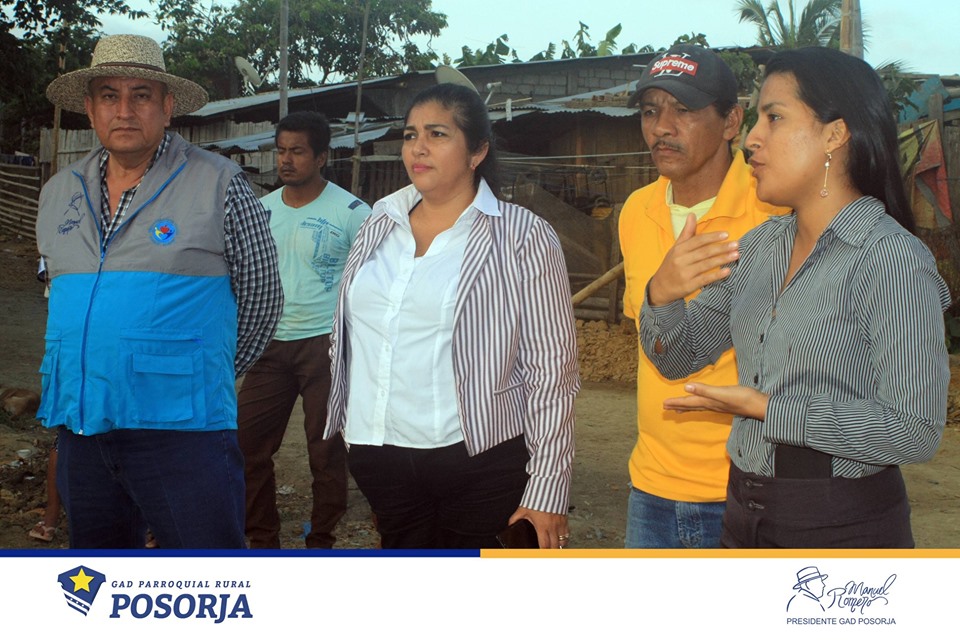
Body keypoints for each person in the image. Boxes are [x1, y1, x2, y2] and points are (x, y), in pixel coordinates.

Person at [640, 47, 950, 548]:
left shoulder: (888, 258)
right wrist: (663, 294)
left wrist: (771, 409)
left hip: (841, 526)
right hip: (743, 513)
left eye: (774, 117)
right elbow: (678, 357)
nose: (751, 138)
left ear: (834, 134)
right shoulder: (760, 248)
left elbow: (914, 429)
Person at [36, 34, 283, 549]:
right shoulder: (59, 191)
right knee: (102, 572)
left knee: (205, 572)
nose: (125, 110)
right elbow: (60, 294)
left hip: (183, 433)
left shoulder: (219, 183)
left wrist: (202, 370)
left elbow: (262, 298)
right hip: (83, 425)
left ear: (167, 107)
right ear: (90, 108)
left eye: (141, 95)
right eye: (109, 95)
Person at [323, 83, 579, 549]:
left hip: (479, 460)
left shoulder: (521, 236)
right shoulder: (379, 224)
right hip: (379, 456)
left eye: (437, 134)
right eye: (410, 134)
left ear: (477, 151)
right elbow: (350, 335)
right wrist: (350, 434)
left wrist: (548, 486)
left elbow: (551, 372)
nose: (417, 147)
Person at [620, 44, 787, 548]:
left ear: (732, 121)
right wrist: (661, 293)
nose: (661, 127)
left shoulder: (774, 212)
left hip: (749, 484)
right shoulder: (636, 211)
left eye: (683, 110)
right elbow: (652, 341)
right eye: (650, 111)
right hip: (652, 484)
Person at [237, 111, 371, 549]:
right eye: (281, 151)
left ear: (321, 157)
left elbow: (374, 284)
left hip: (326, 346)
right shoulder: (261, 212)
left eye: (297, 151)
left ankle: (322, 540)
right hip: (270, 344)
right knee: (245, 445)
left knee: (326, 450)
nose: (286, 160)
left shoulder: (353, 213)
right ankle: (262, 539)